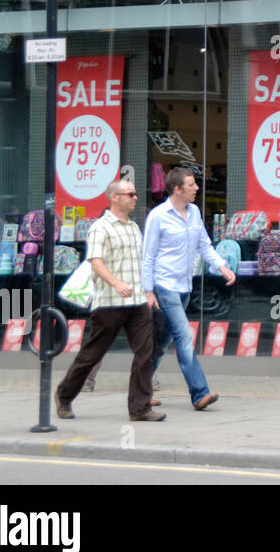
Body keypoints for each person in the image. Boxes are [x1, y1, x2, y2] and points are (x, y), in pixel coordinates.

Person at [55, 178, 164, 422]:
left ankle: (140, 408)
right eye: (130, 194)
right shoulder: (100, 227)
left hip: (136, 302)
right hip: (109, 302)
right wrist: (116, 283)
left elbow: (141, 263)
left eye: (135, 194)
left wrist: (147, 291)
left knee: (145, 354)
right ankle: (63, 395)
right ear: (114, 197)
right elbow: (96, 262)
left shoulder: (134, 227)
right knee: (92, 354)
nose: (135, 198)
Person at [142, 167, 235, 411]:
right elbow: (148, 256)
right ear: (177, 189)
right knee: (184, 336)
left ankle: (140, 391)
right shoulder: (158, 216)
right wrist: (148, 291)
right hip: (164, 285)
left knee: (161, 342)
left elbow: (204, 245)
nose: (196, 188)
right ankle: (199, 393)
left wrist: (221, 266)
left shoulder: (193, 212)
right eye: (192, 184)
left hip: (185, 286)